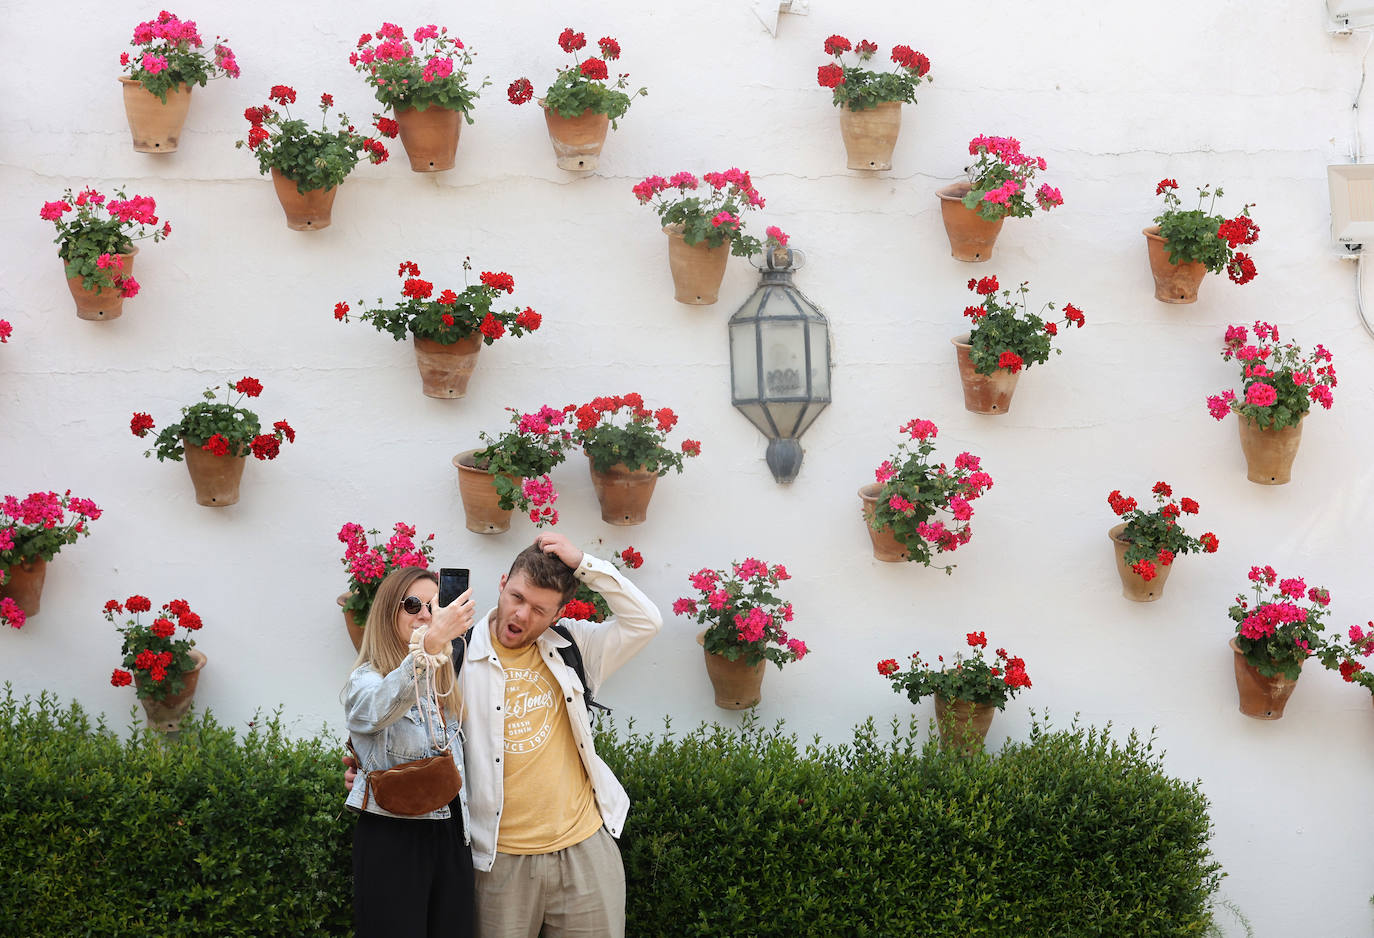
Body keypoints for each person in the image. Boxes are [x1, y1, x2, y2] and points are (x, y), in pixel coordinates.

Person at [463, 531, 661, 938]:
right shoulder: (457, 654)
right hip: (499, 861)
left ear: (557, 614)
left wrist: (585, 563)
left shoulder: (574, 645)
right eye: (516, 597)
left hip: (584, 850)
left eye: (538, 609)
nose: (520, 615)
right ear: (502, 583)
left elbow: (646, 621)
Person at [342, 566, 477, 938]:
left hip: (453, 835)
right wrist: (428, 647)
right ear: (390, 612)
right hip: (394, 837)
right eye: (413, 604)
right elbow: (377, 709)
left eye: (435, 605)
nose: (425, 614)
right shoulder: (366, 678)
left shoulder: (446, 679)